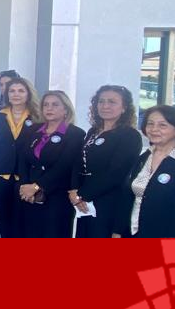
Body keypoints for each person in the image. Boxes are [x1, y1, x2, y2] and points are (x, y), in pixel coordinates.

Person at [71, 85, 142, 242]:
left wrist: (84, 195)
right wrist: (74, 190)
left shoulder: (130, 136)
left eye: (112, 102)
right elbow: (79, 162)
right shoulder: (93, 131)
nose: (105, 106)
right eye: (101, 101)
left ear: (124, 108)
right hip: (85, 202)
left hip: (109, 201)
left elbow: (117, 173)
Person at [15, 91, 85, 238]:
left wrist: (36, 187)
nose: (49, 108)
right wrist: (25, 187)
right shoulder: (33, 130)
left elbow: (64, 166)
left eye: (55, 105)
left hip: (56, 195)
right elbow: (23, 159)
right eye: (46, 105)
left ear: (66, 109)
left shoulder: (75, 134)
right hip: (29, 195)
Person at [0, 77, 40, 238]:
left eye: (21, 91)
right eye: (12, 91)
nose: (16, 94)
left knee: (23, 217)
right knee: (4, 216)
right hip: (1, 173)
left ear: (28, 94)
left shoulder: (37, 118)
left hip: (26, 175)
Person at [121, 105, 175, 238]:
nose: (154, 129)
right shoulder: (144, 157)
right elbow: (128, 196)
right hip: (135, 231)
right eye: (150, 124)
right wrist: (119, 231)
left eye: (162, 125)